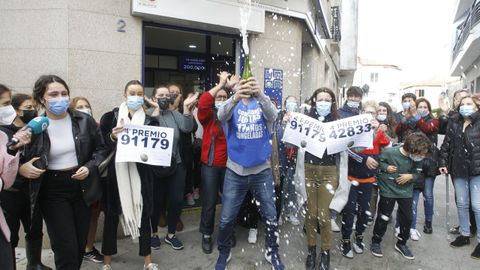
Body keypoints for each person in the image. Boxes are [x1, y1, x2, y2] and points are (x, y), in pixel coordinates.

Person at [21, 75, 107, 270]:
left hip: (81, 187)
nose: (60, 98)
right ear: (42, 98)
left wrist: (90, 167)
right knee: (65, 247)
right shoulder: (35, 125)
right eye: (53, 94)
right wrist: (22, 166)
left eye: (64, 93)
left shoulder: (84, 120)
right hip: (52, 190)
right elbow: (18, 155)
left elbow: (101, 150)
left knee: (78, 245)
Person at [215, 77, 284, 270]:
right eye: (241, 84)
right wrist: (235, 97)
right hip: (235, 170)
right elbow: (220, 115)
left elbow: (273, 115)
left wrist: (260, 94)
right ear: (235, 87)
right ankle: (224, 251)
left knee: (270, 215)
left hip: (261, 171)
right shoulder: (232, 104)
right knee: (227, 217)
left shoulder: (262, 104)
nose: (245, 87)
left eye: (248, 84)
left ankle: (272, 251)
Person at [99, 80, 161, 270]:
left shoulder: (151, 121)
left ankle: (147, 261)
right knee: (111, 217)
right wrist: (113, 137)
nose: (135, 96)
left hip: (142, 175)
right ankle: (107, 261)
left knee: (144, 216)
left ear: (143, 96)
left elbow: (156, 150)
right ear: (124, 95)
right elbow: (101, 145)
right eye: (132, 93)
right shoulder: (110, 117)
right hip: (116, 175)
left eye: (139, 93)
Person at [0, 93, 51, 270]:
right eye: (27, 108)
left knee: (35, 229)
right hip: (10, 193)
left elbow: (43, 155)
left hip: (33, 190)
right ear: (15, 110)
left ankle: (35, 263)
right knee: (10, 234)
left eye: (34, 108)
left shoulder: (38, 130)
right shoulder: (4, 133)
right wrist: (20, 168)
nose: (33, 111)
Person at [149, 85, 197, 250]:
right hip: (155, 168)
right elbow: (148, 130)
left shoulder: (174, 115)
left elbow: (187, 127)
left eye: (166, 95)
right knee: (156, 202)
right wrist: (155, 112)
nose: (164, 97)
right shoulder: (148, 116)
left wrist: (186, 110)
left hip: (176, 165)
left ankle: (171, 235)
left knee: (176, 201)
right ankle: (153, 233)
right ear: (154, 98)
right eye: (160, 95)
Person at [340, 101, 390, 259]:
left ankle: (359, 237)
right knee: (348, 212)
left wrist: (381, 131)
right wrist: (364, 159)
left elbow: (389, 148)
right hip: (351, 178)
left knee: (364, 212)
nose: (369, 116)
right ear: (360, 113)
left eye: (373, 113)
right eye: (366, 112)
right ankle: (346, 240)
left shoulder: (377, 131)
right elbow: (346, 151)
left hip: (368, 180)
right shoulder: (353, 130)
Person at [370, 132, 430, 260]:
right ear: (410, 150)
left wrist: (411, 176)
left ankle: (402, 242)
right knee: (383, 217)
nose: (421, 157)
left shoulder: (417, 158)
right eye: (419, 154)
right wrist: (386, 167)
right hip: (388, 190)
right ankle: (376, 241)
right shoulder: (390, 152)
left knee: (407, 218)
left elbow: (418, 173)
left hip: (406, 192)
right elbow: (378, 163)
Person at [197, 72, 237, 254]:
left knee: (230, 201)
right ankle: (206, 234)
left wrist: (234, 89)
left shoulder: (233, 114)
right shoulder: (208, 116)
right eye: (219, 97)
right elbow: (204, 101)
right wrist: (220, 86)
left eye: (224, 97)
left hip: (231, 166)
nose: (221, 98)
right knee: (210, 202)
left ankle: (227, 232)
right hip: (211, 166)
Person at [439, 94, 480, 259]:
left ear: (477, 107)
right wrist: (443, 162)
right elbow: (446, 144)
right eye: (462, 104)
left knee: (477, 206)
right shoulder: (454, 122)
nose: (465, 106)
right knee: (462, 203)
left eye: (469, 104)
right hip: (458, 169)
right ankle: (464, 234)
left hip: (477, 170)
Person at [304, 88, 340, 270]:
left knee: (324, 215)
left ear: (332, 103)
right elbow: (291, 142)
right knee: (311, 214)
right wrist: (285, 123)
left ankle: (325, 252)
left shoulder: (339, 122)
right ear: (314, 101)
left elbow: (353, 148)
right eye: (320, 99)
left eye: (327, 99)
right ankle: (311, 250)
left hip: (329, 171)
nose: (324, 103)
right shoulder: (306, 120)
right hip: (309, 170)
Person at [395, 97, 439, 240]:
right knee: (409, 196)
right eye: (419, 107)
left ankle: (428, 222)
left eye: (425, 107)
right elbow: (398, 131)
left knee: (428, 195)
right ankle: (405, 226)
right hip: (413, 162)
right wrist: (405, 119)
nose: (422, 110)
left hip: (428, 163)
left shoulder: (433, 120)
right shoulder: (411, 120)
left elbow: (427, 129)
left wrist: (416, 116)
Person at [0, 85, 33, 270]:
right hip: (9, 196)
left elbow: (6, 175)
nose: (9, 109)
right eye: (6, 103)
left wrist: (12, 150)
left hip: (26, 190)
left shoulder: (4, 139)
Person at [69, 96, 104, 264]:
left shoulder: (95, 126)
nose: (84, 109)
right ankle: (76, 249)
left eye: (86, 106)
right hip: (72, 181)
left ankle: (88, 248)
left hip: (92, 179)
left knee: (93, 216)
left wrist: (90, 167)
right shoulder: (68, 127)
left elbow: (101, 150)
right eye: (79, 106)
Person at [369, 102, 397, 224]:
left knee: (385, 192)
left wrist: (383, 133)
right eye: (379, 110)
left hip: (387, 163)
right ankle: (370, 214)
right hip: (374, 161)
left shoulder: (393, 126)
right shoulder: (371, 124)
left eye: (384, 110)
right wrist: (376, 130)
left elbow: (393, 143)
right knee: (373, 191)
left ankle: (384, 214)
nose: (381, 113)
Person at [275, 95, 300, 225]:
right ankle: (279, 212)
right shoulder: (279, 117)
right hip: (281, 158)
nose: (292, 104)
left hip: (294, 159)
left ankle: (291, 212)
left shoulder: (301, 119)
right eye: (290, 102)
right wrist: (284, 123)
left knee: (292, 187)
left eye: (294, 102)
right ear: (285, 104)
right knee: (281, 187)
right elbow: (277, 137)